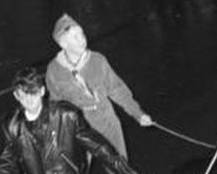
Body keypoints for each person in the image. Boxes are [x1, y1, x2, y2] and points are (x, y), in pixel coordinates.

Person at [0, 67, 140, 174]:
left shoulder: (66, 115)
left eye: (33, 92)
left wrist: (126, 171)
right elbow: (6, 161)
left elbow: (98, 146)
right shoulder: (11, 124)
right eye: (23, 95)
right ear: (16, 96)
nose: (29, 99)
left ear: (42, 91)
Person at [45, 15, 153, 157]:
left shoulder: (98, 60)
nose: (82, 39)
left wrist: (138, 113)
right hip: (79, 128)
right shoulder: (54, 70)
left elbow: (118, 90)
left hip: (106, 121)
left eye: (82, 33)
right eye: (75, 37)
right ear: (63, 44)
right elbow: (56, 106)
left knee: (119, 165)